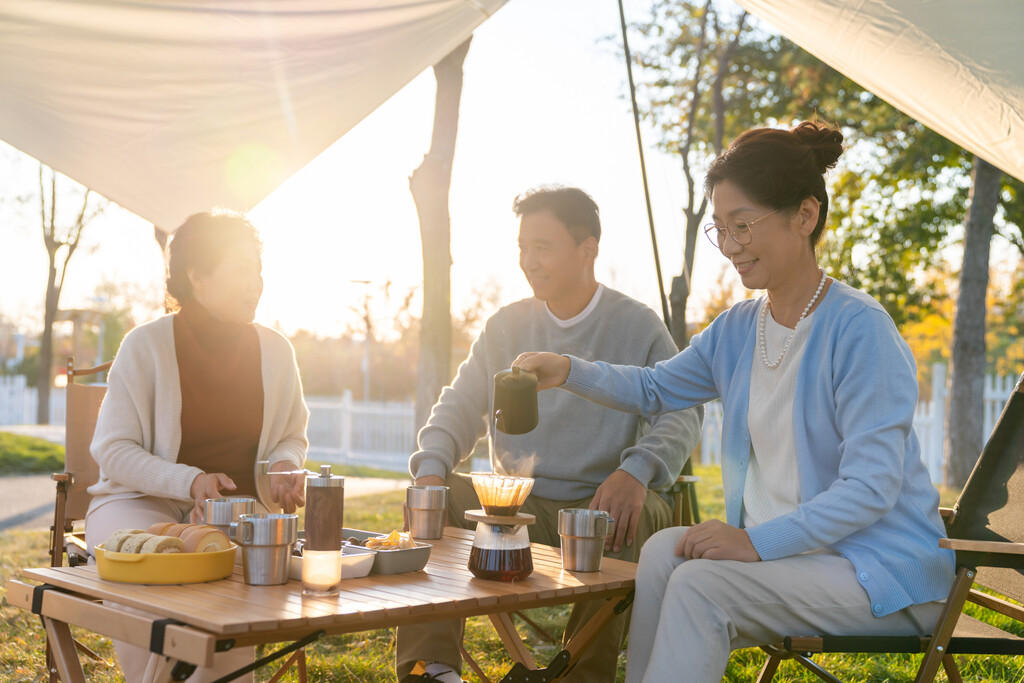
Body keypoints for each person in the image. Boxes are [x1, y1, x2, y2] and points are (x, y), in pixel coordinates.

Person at [515, 122, 956, 683]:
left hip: (880, 571)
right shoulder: (740, 328)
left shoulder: (860, 330)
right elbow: (655, 388)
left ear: (804, 215)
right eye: (720, 230)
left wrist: (752, 541)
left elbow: (869, 490)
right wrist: (567, 369)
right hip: (800, 558)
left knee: (703, 585)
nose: (729, 247)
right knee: (662, 554)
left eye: (742, 226)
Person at [397, 186, 704, 683]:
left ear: (588, 251)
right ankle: (430, 670)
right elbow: (461, 403)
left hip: (601, 504)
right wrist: (430, 468)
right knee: (434, 497)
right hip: (517, 507)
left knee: (630, 513)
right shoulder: (506, 325)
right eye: (522, 247)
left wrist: (637, 470)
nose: (528, 261)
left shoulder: (637, 325)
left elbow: (683, 409)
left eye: (542, 247)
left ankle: (582, 677)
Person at [85, 210, 309, 683]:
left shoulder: (277, 351)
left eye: (259, 268)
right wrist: (190, 481)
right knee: (153, 585)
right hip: (139, 505)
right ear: (198, 276)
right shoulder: (143, 347)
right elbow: (113, 449)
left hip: (239, 518)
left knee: (228, 619)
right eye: (243, 268)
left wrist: (285, 465)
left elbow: (291, 433)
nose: (258, 282)